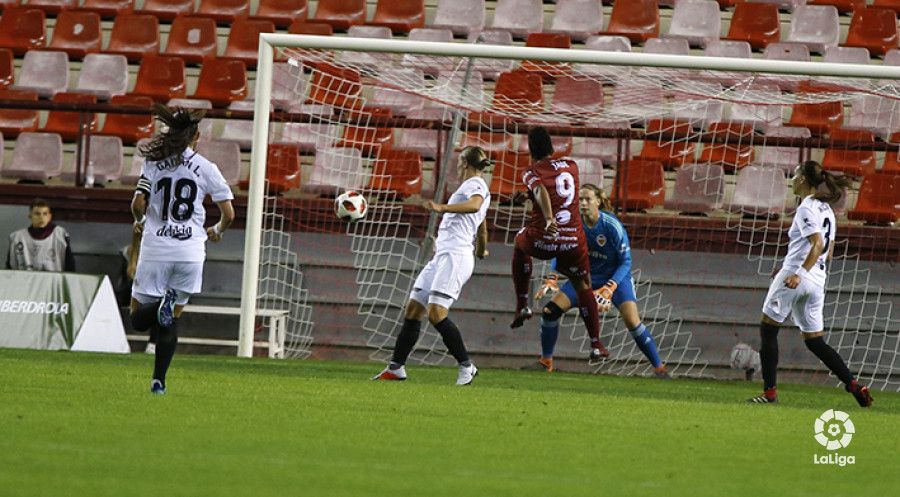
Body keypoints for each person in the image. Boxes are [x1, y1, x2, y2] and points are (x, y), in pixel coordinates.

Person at [129, 104, 235, 395]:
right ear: (195, 136)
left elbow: (138, 204)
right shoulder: (207, 167)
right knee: (171, 320)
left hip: (156, 250)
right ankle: (158, 382)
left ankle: (160, 308)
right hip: (190, 253)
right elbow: (229, 213)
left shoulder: (152, 163)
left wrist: (140, 220)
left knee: (138, 319)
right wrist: (216, 230)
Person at [749, 161, 872, 407]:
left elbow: (817, 244)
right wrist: (802, 268)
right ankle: (854, 385)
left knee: (768, 330)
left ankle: (770, 393)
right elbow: (828, 252)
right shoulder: (827, 210)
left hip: (797, 277)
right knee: (815, 341)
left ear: (804, 179)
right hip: (817, 282)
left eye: (795, 175)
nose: (792, 180)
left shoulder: (806, 207)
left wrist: (797, 272)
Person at [373, 146, 491, 385]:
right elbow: (481, 221)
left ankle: (467, 367)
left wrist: (441, 207)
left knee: (437, 314)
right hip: (443, 255)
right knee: (414, 308)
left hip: (455, 257)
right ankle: (396, 367)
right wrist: (481, 248)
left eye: (459, 161)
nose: (457, 166)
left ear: (465, 164)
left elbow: (475, 206)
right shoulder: (469, 187)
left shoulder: (475, 185)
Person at [528, 185, 667, 376]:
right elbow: (561, 251)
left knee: (632, 321)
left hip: (616, 278)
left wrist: (610, 287)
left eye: (588, 199)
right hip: (585, 278)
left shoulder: (611, 225)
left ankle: (660, 369)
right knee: (549, 312)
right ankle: (545, 362)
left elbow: (626, 262)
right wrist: (552, 277)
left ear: (598, 202)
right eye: (580, 200)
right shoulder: (573, 225)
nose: (583, 204)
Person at [510, 126, 608, 361]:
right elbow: (556, 189)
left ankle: (523, 303)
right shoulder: (571, 166)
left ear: (530, 150)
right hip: (572, 241)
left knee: (519, 243)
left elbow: (542, 189)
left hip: (544, 238)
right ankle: (596, 344)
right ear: (552, 147)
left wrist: (548, 218)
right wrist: (529, 196)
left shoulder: (530, 172)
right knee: (583, 284)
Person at [6, 198, 76, 272]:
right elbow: (10, 268)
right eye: (37, 214)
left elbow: (70, 267)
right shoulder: (18, 237)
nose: (41, 217)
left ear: (49, 217)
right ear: (30, 216)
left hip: (53, 282)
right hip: (26, 281)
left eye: (45, 214)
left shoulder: (60, 235)